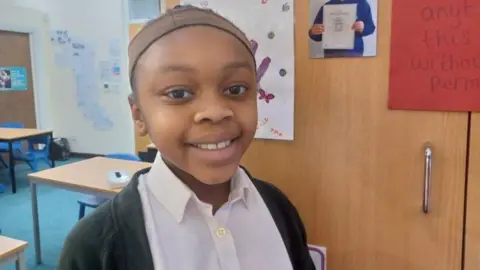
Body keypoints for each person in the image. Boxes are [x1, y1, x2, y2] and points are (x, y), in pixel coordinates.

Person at [57, 5, 315, 270]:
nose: (215, 112)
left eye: (236, 88)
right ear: (139, 116)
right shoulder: (95, 247)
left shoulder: (277, 207)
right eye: (178, 93)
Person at [309, 0, 376, 58]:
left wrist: (363, 27)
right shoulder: (326, 6)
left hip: (354, 54)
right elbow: (317, 35)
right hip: (331, 54)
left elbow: (371, 27)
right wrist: (313, 32)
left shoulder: (362, 4)